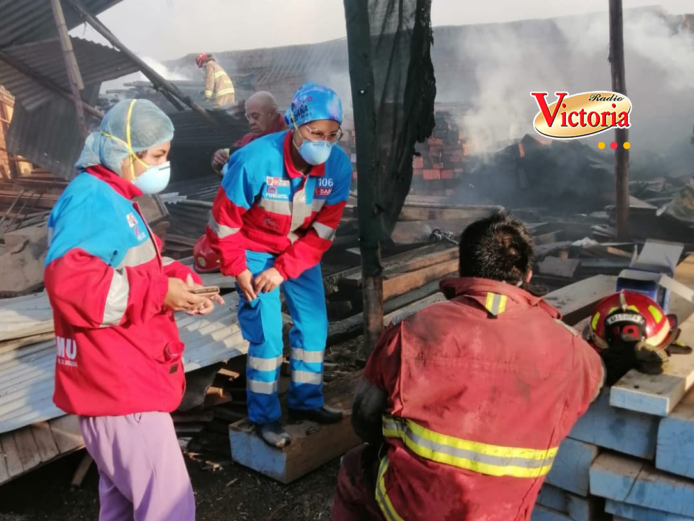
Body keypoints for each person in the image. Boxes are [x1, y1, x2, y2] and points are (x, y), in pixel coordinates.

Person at [333, 213, 605, 521]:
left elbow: (364, 421)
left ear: (461, 268)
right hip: (503, 514)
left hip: (410, 511)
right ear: (528, 275)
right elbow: (594, 385)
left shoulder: (409, 330)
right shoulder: (575, 353)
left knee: (354, 466)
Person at [45, 99, 224, 521]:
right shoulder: (94, 200)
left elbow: (135, 265)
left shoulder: (112, 196)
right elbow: (73, 286)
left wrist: (179, 280)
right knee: (169, 508)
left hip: (119, 381)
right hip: (121, 384)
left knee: (124, 505)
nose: (164, 166)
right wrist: (161, 293)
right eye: (157, 156)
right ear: (125, 154)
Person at [206, 82, 351, 448]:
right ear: (294, 125)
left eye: (333, 134)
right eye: (315, 133)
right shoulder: (254, 159)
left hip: (299, 251)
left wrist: (284, 269)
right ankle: (265, 418)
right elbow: (224, 225)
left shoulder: (337, 166)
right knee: (268, 337)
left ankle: (306, 403)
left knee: (314, 327)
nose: (324, 141)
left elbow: (322, 232)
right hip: (252, 250)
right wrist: (239, 270)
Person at [211, 91, 288, 175]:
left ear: (272, 114)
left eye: (255, 116)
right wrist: (219, 160)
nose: (251, 122)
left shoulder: (291, 138)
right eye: (248, 117)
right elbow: (230, 157)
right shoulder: (247, 139)